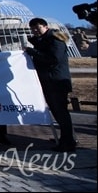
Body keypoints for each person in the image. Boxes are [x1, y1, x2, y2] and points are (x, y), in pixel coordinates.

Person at [25, 17, 76, 152]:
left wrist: (33, 52)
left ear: (45, 26)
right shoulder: (44, 40)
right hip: (49, 81)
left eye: (38, 27)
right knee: (57, 112)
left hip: (56, 81)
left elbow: (53, 59)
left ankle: (68, 142)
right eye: (33, 28)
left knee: (61, 112)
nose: (35, 30)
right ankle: (66, 138)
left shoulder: (55, 40)